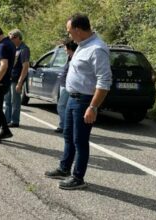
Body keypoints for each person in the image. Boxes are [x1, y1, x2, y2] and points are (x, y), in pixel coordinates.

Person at [44, 14, 112, 190]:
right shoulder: (82, 46)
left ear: (78, 29)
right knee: (68, 136)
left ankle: (78, 177)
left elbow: (104, 81)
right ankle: (64, 168)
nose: (69, 35)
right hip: (73, 99)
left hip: (84, 101)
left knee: (80, 141)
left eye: (69, 31)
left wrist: (93, 107)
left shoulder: (97, 49)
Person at [4, 29, 30, 128]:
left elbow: (25, 66)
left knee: (15, 101)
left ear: (18, 37)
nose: (10, 40)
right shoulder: (14, 48)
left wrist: (20, 82)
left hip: (16, 79)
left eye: (11, 38)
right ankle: (7, 119)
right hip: (9, 78)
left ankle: (15, 121)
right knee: (7, 100)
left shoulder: (24, 49)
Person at [54, 39, 78, 133]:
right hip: (64, 84)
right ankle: (65, 126)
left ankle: (64, 126)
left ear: (70, 48)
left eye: (65, 47)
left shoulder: (75, 58)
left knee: (61, 106)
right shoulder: (70, 56)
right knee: (66, 107)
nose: (64, 49)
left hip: (67, 86)